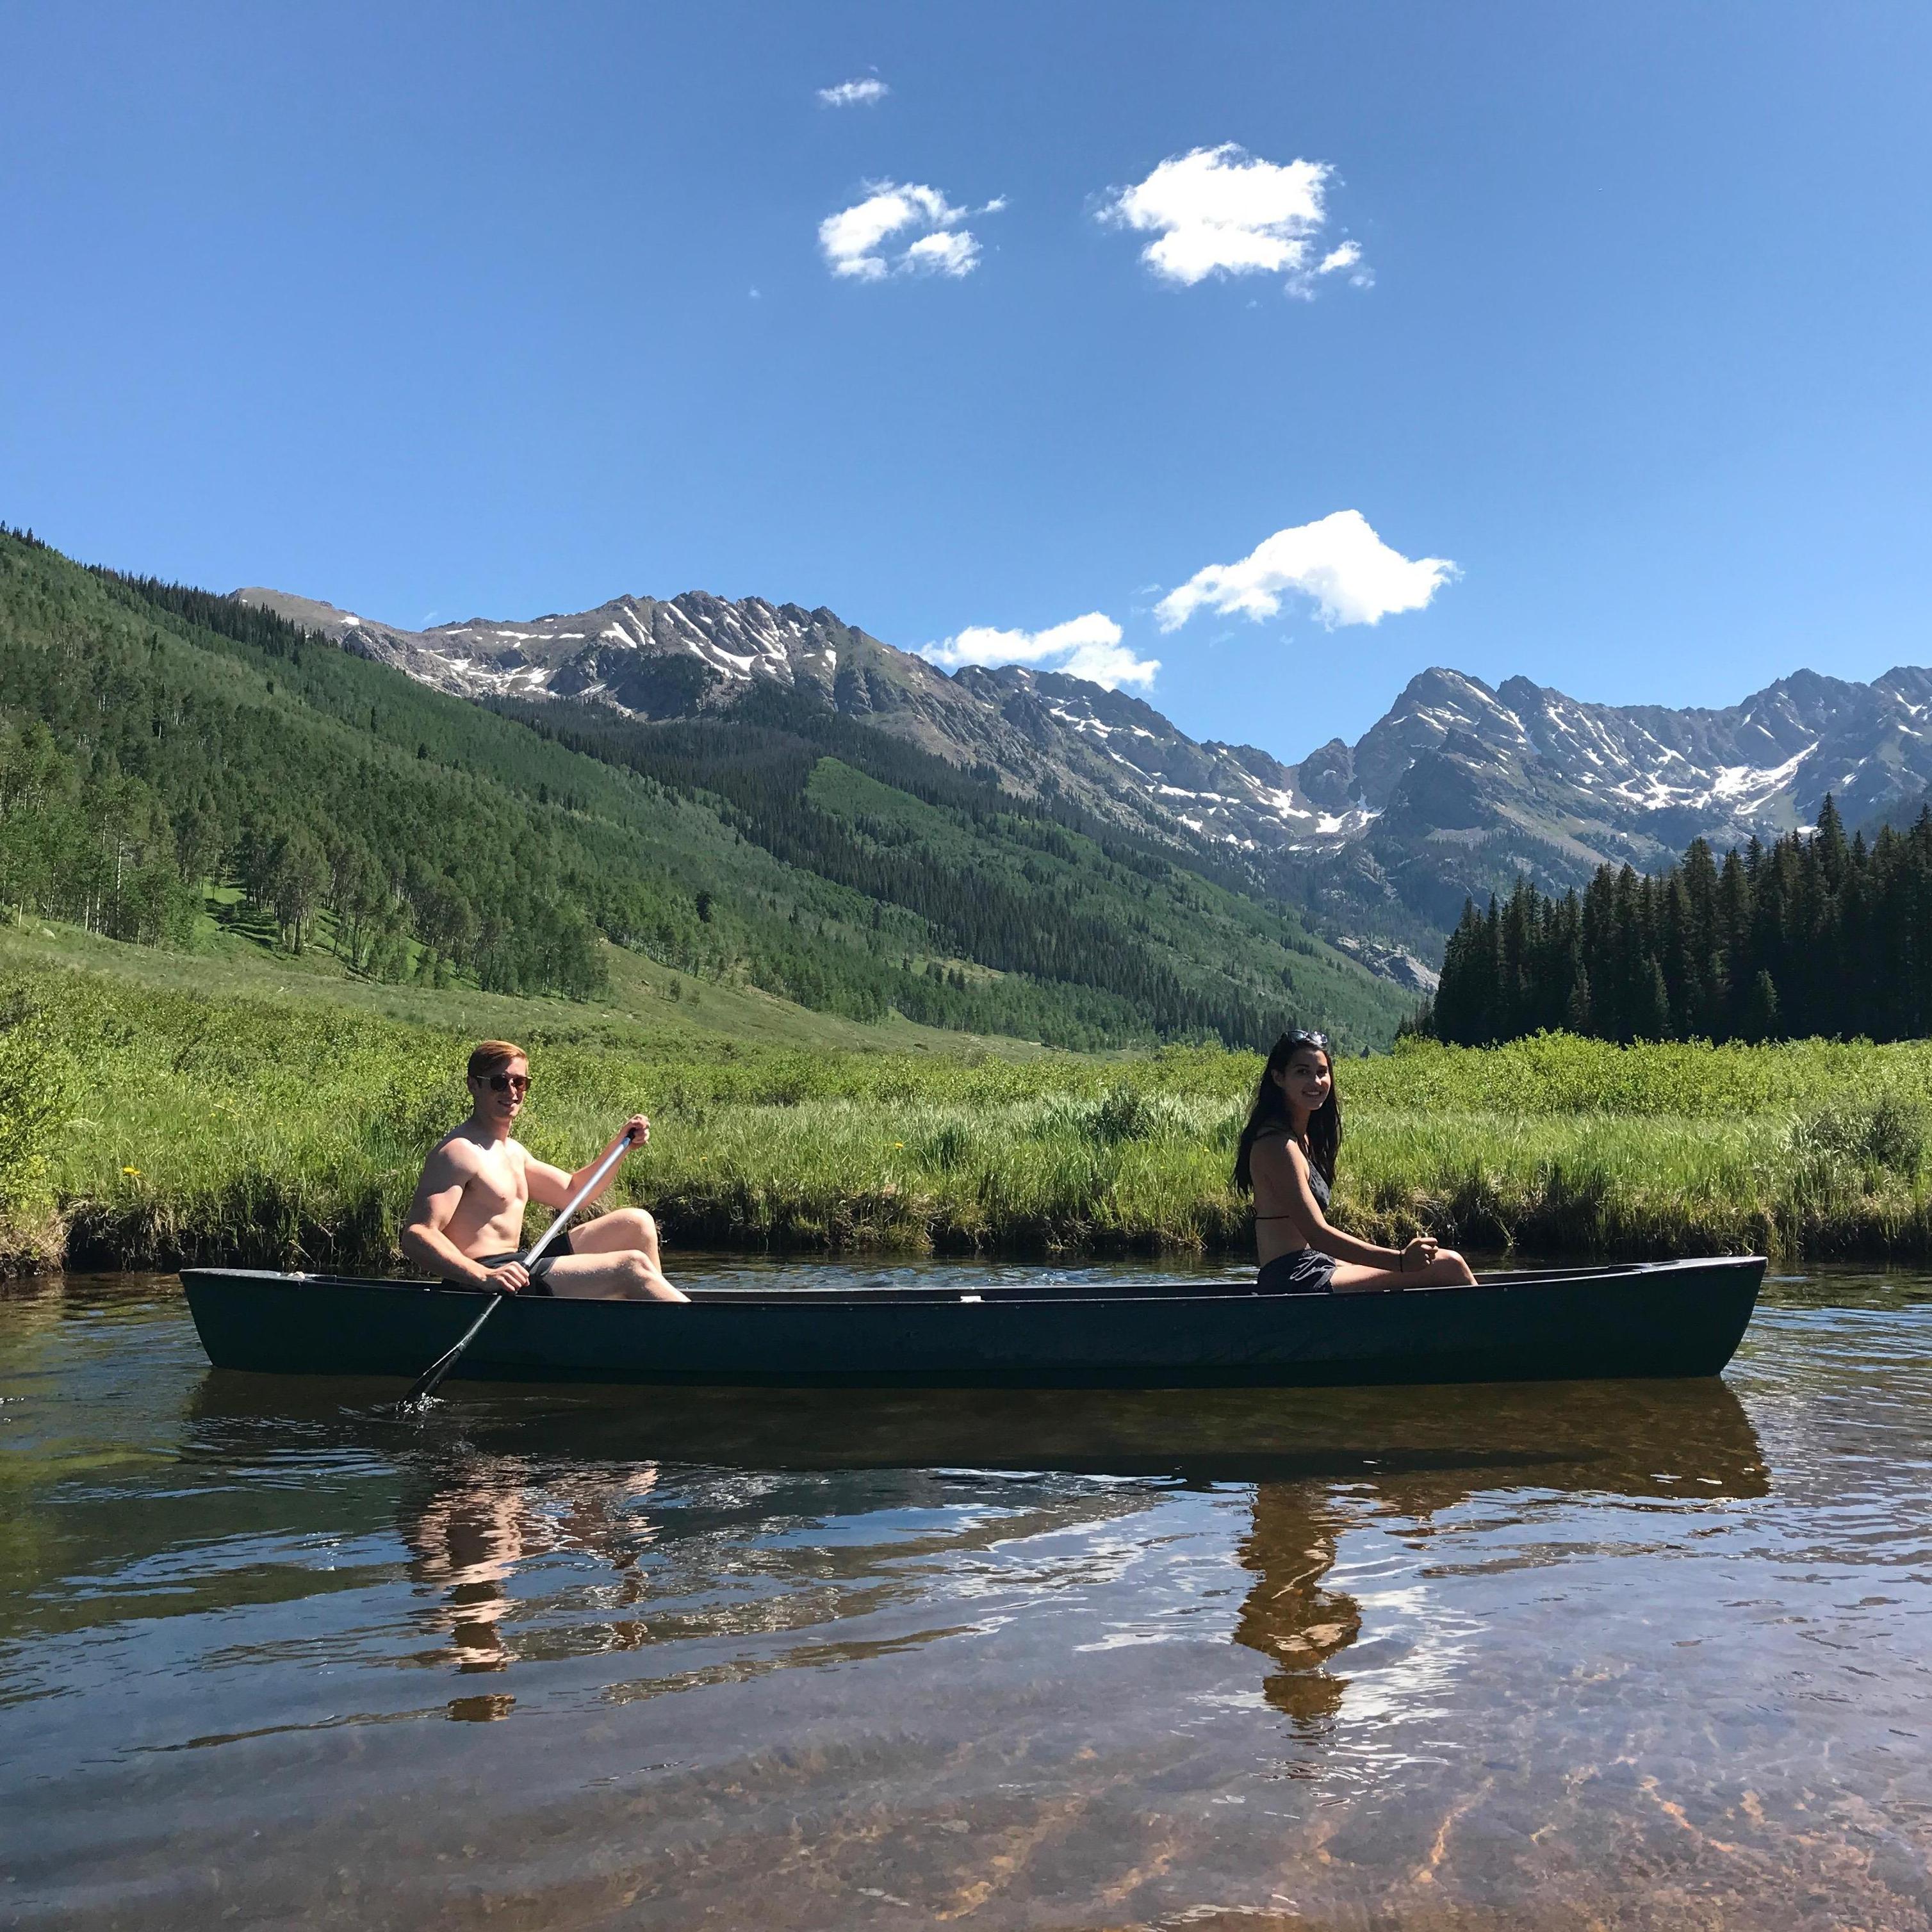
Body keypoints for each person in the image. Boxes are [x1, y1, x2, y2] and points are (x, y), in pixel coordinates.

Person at [399, 1040, 688, 1302]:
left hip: (519, 1266)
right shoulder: (458, 1152)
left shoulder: (514, 1151)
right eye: (499, 1082)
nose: (511, 1092)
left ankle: (649, 1326)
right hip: (484, 1282)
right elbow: (417, 1234)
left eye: (520, 1083)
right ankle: (693, 1333)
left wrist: (621, 1146)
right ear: (473, 1085)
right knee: (630, 1267)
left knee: (636, 1222)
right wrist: (482, 1276)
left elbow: (574, 1192)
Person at [1234, 1027, 1475, 1295]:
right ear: (1279, 1078)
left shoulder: (1301, 1139)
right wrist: (1400, 1261)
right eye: (1302, 1072)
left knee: (1430, 1270)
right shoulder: (1277, 1146)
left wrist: (1392, 1264)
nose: (1315, 1082)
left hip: (1315, 1266)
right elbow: (1317, 1234)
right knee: (1449, 1265)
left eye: (1322, 1072)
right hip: (1294, 1280)